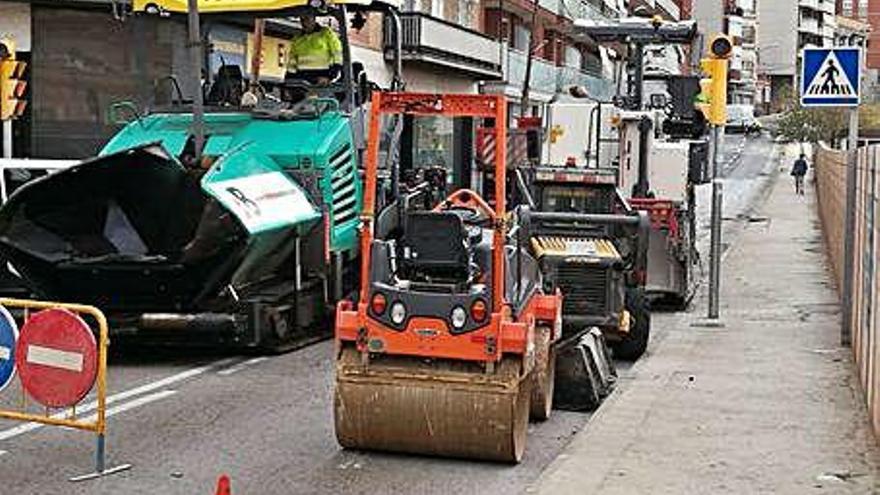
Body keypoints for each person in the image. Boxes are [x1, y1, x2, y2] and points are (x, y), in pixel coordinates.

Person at [286, 14, 343, 87]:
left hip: (321, 79)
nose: (304, 23)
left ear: (314, 19)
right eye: (302, 20)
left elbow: (338, 55)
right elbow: (292, 64)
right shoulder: (297, 39)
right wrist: (288, 81)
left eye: (307, 19)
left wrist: (329, 76)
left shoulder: (326, 33)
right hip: (302, 81)